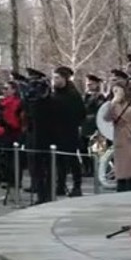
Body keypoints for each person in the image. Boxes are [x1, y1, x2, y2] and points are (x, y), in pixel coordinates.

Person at [48, 66, 86, 197]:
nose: (54, 80)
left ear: (64, 78)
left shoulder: (73, 94)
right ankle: (60, 184)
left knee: (71, 158)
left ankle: (77, 185)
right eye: (53, 78)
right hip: (56, 131)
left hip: (69, 131)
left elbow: (81, 113)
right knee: (59, 160)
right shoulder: (54, 93)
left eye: (57, 78)